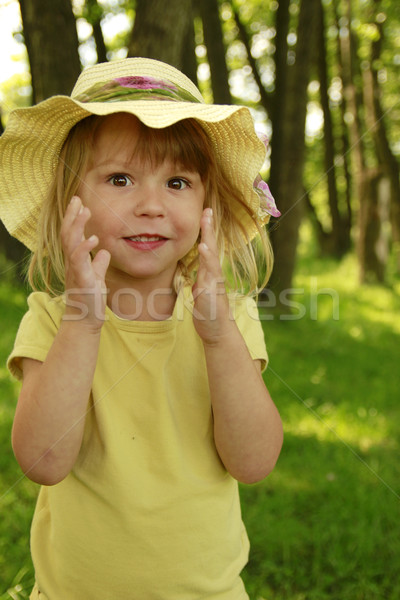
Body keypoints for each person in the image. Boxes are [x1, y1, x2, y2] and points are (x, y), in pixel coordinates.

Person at [0, 57, 283, 600]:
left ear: (207, 205)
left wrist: (220, 336)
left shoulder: (229, 316)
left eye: (177, 182)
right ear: (72, 200)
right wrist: (84, 321)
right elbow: (42, 461)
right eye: (120, 179)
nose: (151, 206)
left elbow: (253, 462)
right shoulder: (54, 318)